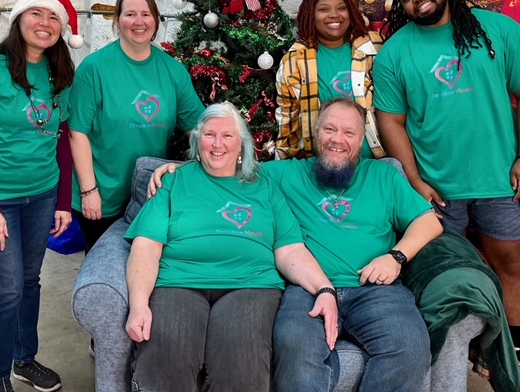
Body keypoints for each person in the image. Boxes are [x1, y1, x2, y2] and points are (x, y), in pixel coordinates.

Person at [151, 98, 442, 391]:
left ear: (361, 139)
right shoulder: (282, 174)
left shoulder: (384, 176)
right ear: (316, 133)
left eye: (348, 133)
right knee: (295, 348)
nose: (337, 140)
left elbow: (429, 222)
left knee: (410, 347)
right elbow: (226, 162)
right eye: (329, 129)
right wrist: (178, 170)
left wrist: (395, 257)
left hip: (374, 289)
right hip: (306, 290)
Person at [374, 0, 520, 392]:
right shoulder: (395, 52)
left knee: (511, 266)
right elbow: (390, 120)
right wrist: (414, 181)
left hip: (500, 181)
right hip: (437, 190)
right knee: (438, 275)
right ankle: (441, 359)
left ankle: (517, 358)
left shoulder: (498, 29)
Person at [124, 102, 338, 391]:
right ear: (197, 141)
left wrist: (324, 289)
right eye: (209, 135)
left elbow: (289, 250)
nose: (217, 144)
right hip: (179, 282)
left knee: (242, 371)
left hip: (250, 285)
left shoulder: (264, 185)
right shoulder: (173, 182)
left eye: (227, 136)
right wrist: (138, 305)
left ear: (242, 144)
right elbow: (146, 247)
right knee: (166, 363)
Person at [0, 0, 80, 392]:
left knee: (29, 281)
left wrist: (63, 202)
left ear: (62, 28)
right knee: (6, 290)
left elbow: (61, 141)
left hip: (42, 194)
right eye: (36, 14)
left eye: (54, 17)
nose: (45, 24)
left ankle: (24, 360)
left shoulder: (59, 73)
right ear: (19, 19)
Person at [69, 0, 204, 251]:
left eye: (146, 14)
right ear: (117, 21)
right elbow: (77, 131)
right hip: (103, 192)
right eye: (130, 14)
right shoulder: (94, 68)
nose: (139, 22)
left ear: (155, 21)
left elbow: (197, 128)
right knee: (103, 263)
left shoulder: (173, 70)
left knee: (144, 262)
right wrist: (89, 191)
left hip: (149, 192)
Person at [275, 0, 384, 160]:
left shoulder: (373, 47)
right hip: (325, 164)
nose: (334, 15)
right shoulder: (294, 61)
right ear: (310, 15)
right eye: (324, 9)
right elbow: (288, 121)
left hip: (374, 159)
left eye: (341, 8)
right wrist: (283, 164)